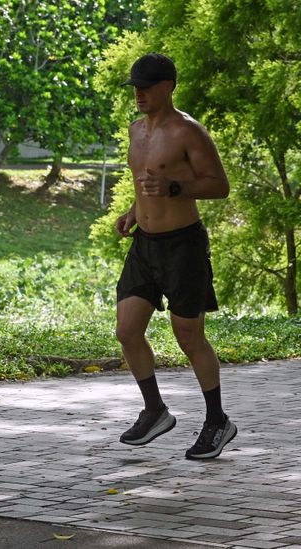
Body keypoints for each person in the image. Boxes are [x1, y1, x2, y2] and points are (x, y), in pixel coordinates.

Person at [114, 53, 235, 460]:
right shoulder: (135, 130)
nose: (139, 93)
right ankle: (155, 410)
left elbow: (219, 186)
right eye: (135, 86)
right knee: (127, 331)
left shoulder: (189, 132)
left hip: (184, 245)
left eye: (146, 85)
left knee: (189, 335)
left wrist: (176, 189)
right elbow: (144, 182)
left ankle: (217, 420)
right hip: (145, 244)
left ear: (168, 86)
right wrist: (134, 211)